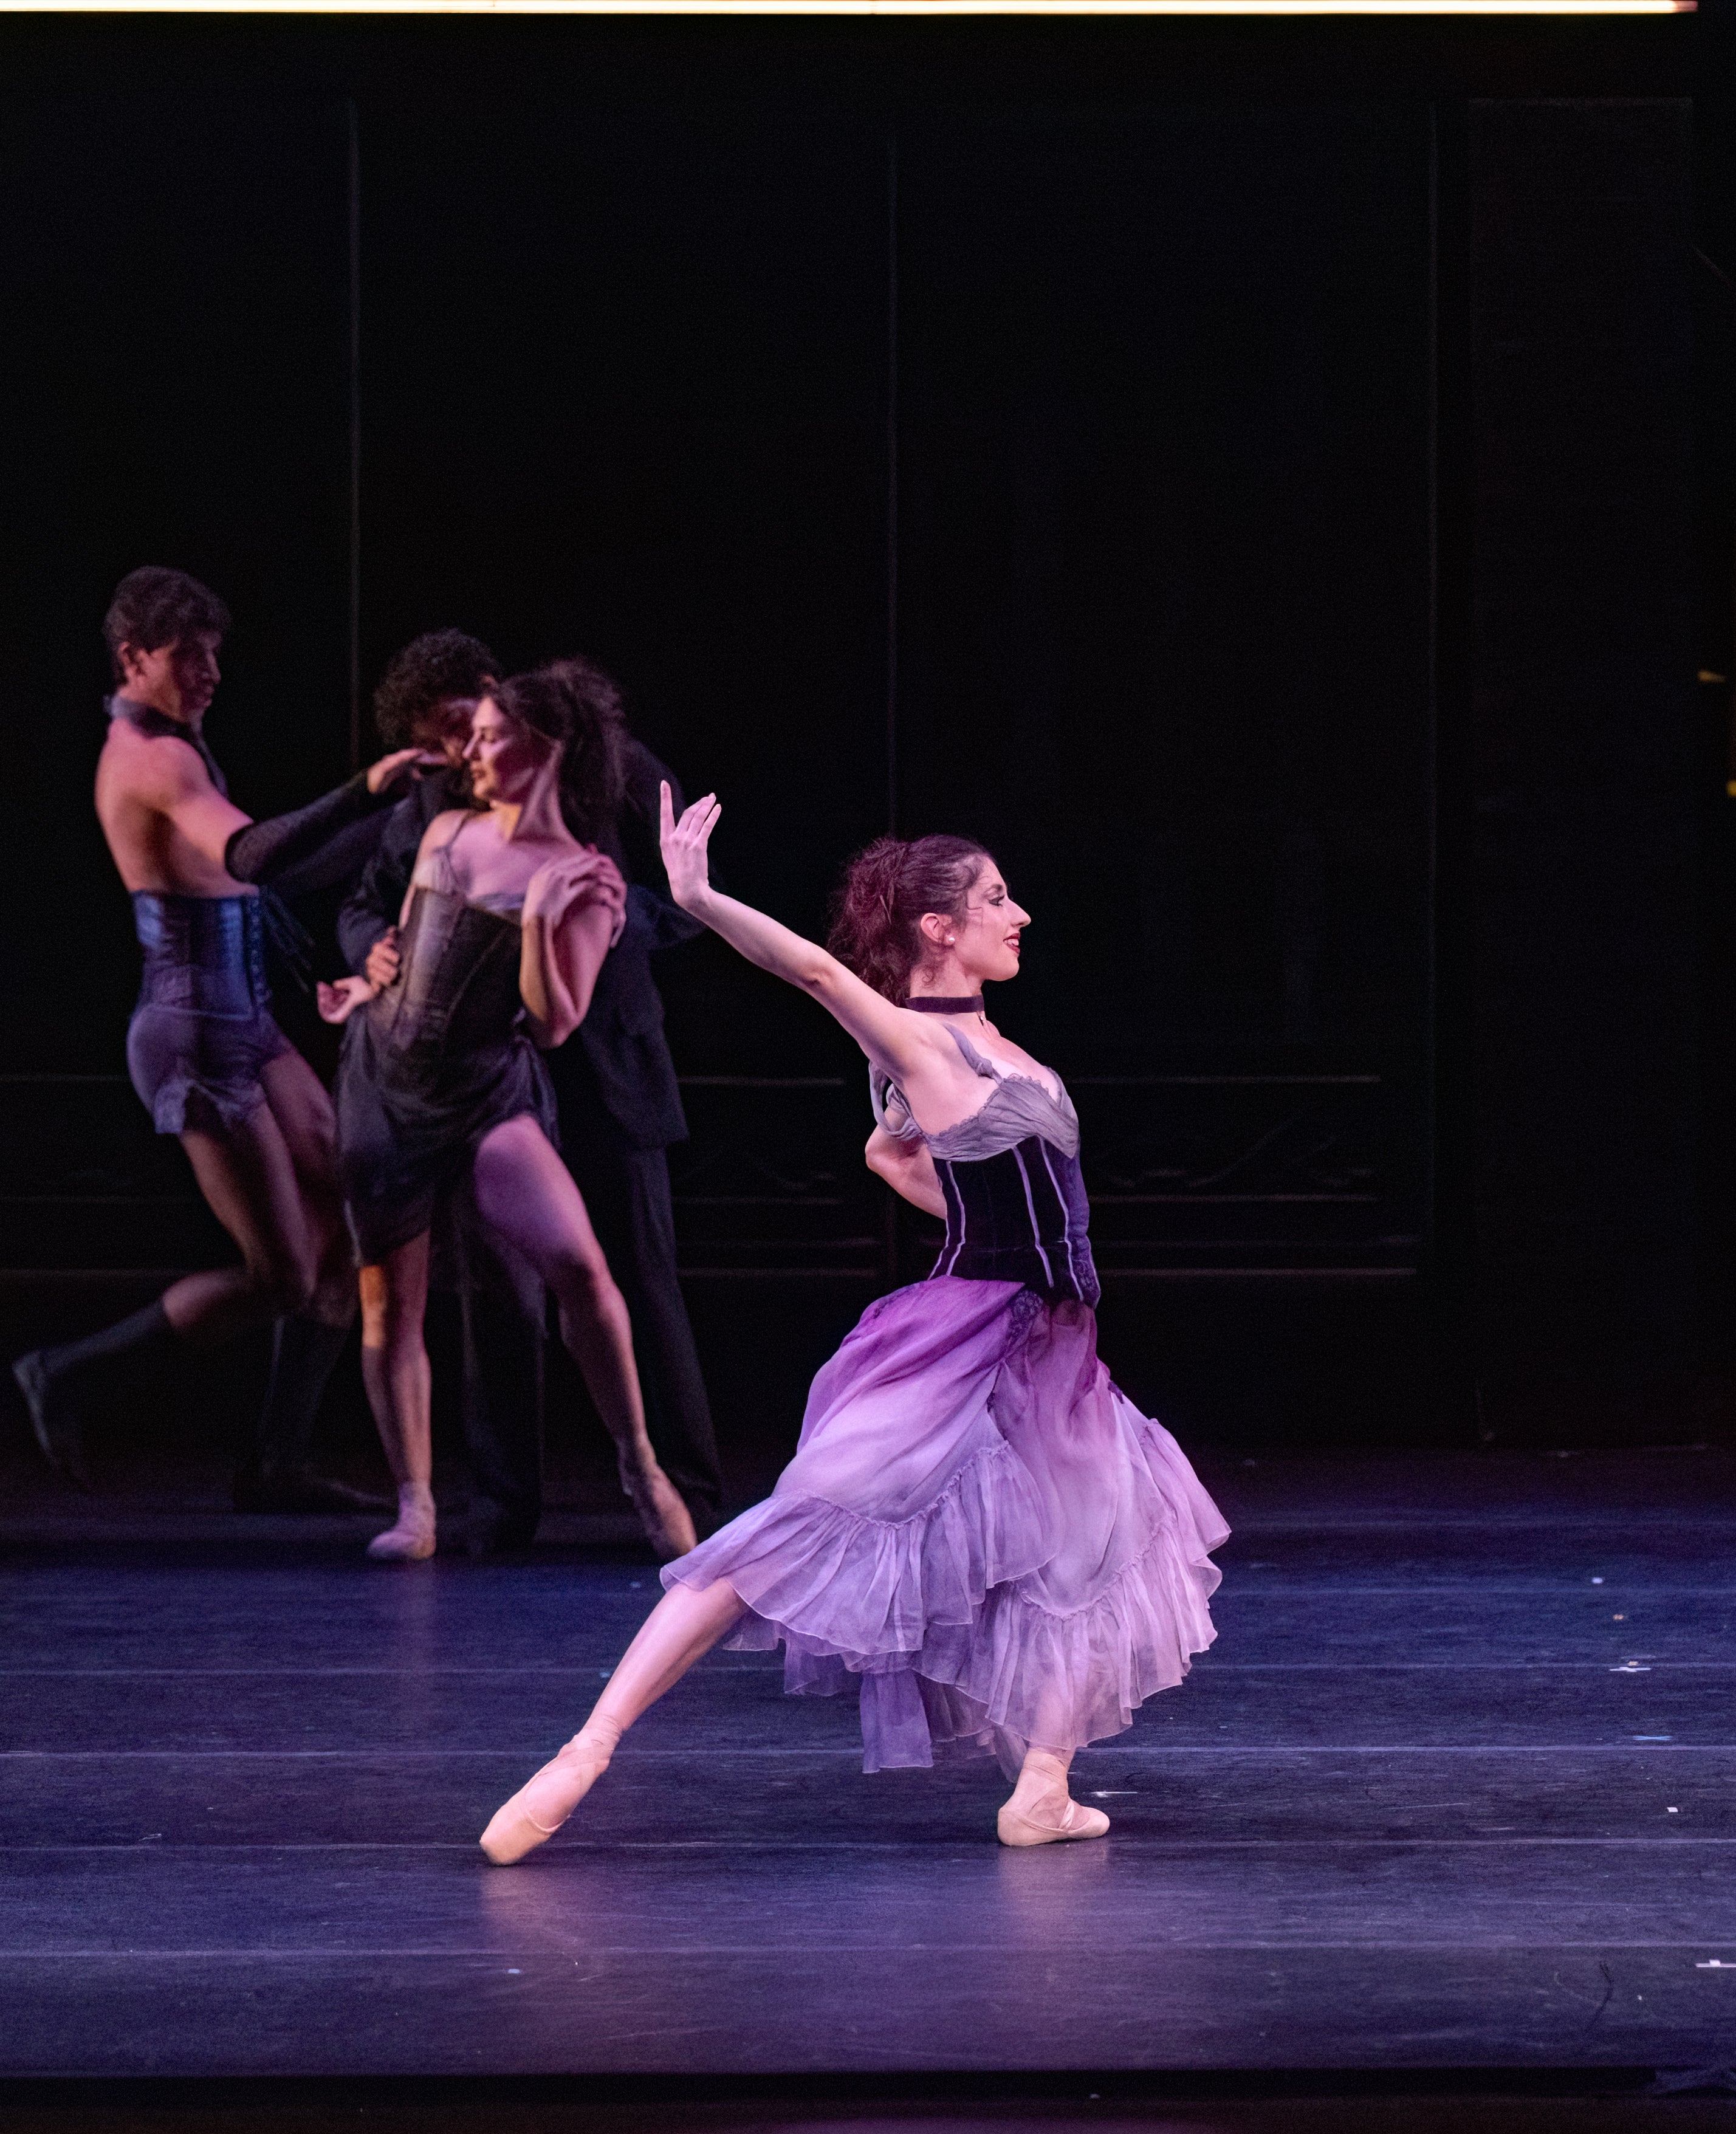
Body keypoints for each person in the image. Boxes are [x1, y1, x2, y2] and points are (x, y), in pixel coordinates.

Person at [476, 800, 1227, 1861]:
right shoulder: (916, 1036)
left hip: (1059, 1349)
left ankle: (1043, 1788)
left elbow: (908, 1166)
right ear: (936, 926)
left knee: (1092, 1550)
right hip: (976, 1336)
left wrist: (926, 1173)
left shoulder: (989, 1046)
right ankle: (585, 1748)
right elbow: (820, 976)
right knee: (798, 1522)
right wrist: (698, 898)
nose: (1019, 915)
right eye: (995, 899)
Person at [15, 568, 424, 1508]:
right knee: (284, 1272)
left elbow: (265, 879)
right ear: (133, 658)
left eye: (215, 654)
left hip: (245, 1017)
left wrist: (399, 820)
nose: (210, 673)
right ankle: (67, 1373)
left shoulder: (179, 745)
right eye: (188, 655)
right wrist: (370, 790)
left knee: (352, 1197)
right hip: (193, 1032)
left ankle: (277, 1461)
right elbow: (255, 856)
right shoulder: (152, 761)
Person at [332, 631, 725, 1552]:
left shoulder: (613, 774)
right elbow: (373, 908)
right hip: (443, 1075)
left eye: (468, 729)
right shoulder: (446, 810)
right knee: (487, 1296)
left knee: (626, 1270)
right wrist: (368, 962)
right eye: (445, 740)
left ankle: (681, 1491)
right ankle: (492, 1506)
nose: (458, 753)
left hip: (595, 1058)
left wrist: (593, 925)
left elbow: (686, 894)